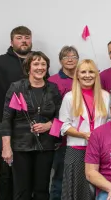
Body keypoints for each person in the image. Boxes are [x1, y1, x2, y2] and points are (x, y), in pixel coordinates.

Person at [0, 51, 62, 200]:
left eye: (43, 64)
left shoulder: (53, 88)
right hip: (21, 147)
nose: (40, 67)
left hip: (46, 147)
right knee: (22, 191)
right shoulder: (16, 87)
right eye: (36, 64)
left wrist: (49, 125)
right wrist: (6, 147)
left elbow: (61, 117)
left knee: (42, 190)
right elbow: (6, 119)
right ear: (28, 67)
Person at [0, 25, 33, 200]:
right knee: (6, 169)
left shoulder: (37, 61)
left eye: (27, 37)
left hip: (31, 125)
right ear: (11, 41)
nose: (24, 40)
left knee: (28, 171)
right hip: (5, 123)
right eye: (19, 37)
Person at [58, 59, 111, 200]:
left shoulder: (105, 96)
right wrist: (84, 135)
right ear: (78, 75)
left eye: (91, 71)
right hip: (76, 151)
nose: (87, 75)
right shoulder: (69, 97)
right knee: (77, 192)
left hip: (100, 151)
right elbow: (62, 126)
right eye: (83, 72)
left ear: (96, 75)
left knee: (99, 191)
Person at [47, 45, 79, 200]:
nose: (70, 59)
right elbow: (50, 112)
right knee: (59, 178)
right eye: (66, 57)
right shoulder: (52, 81)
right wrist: (55, 137)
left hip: (81, 136)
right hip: (60, 139)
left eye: (73, 56)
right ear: (60, 60)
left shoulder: (84, 78)